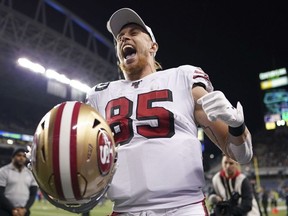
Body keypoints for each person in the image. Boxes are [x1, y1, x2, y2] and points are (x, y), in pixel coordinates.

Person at [86, 7, 253, 216]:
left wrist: (237, 127)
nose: (124, 38)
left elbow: (241, 154)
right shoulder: (100, 95)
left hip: (183, 208)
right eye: (120, 37)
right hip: (124, 209)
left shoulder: (182, 78)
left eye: (134, 33)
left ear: (153, 46)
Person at [0, 147, 38, 216]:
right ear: (13, 157)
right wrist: (12, 209)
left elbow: (33, 194)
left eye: (24, 156)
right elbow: (0, 194)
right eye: (19, 155)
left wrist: (25, 209)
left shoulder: (30, 173)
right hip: (5, 211)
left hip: (23, 212)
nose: (21, 158)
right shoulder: (3, 171)